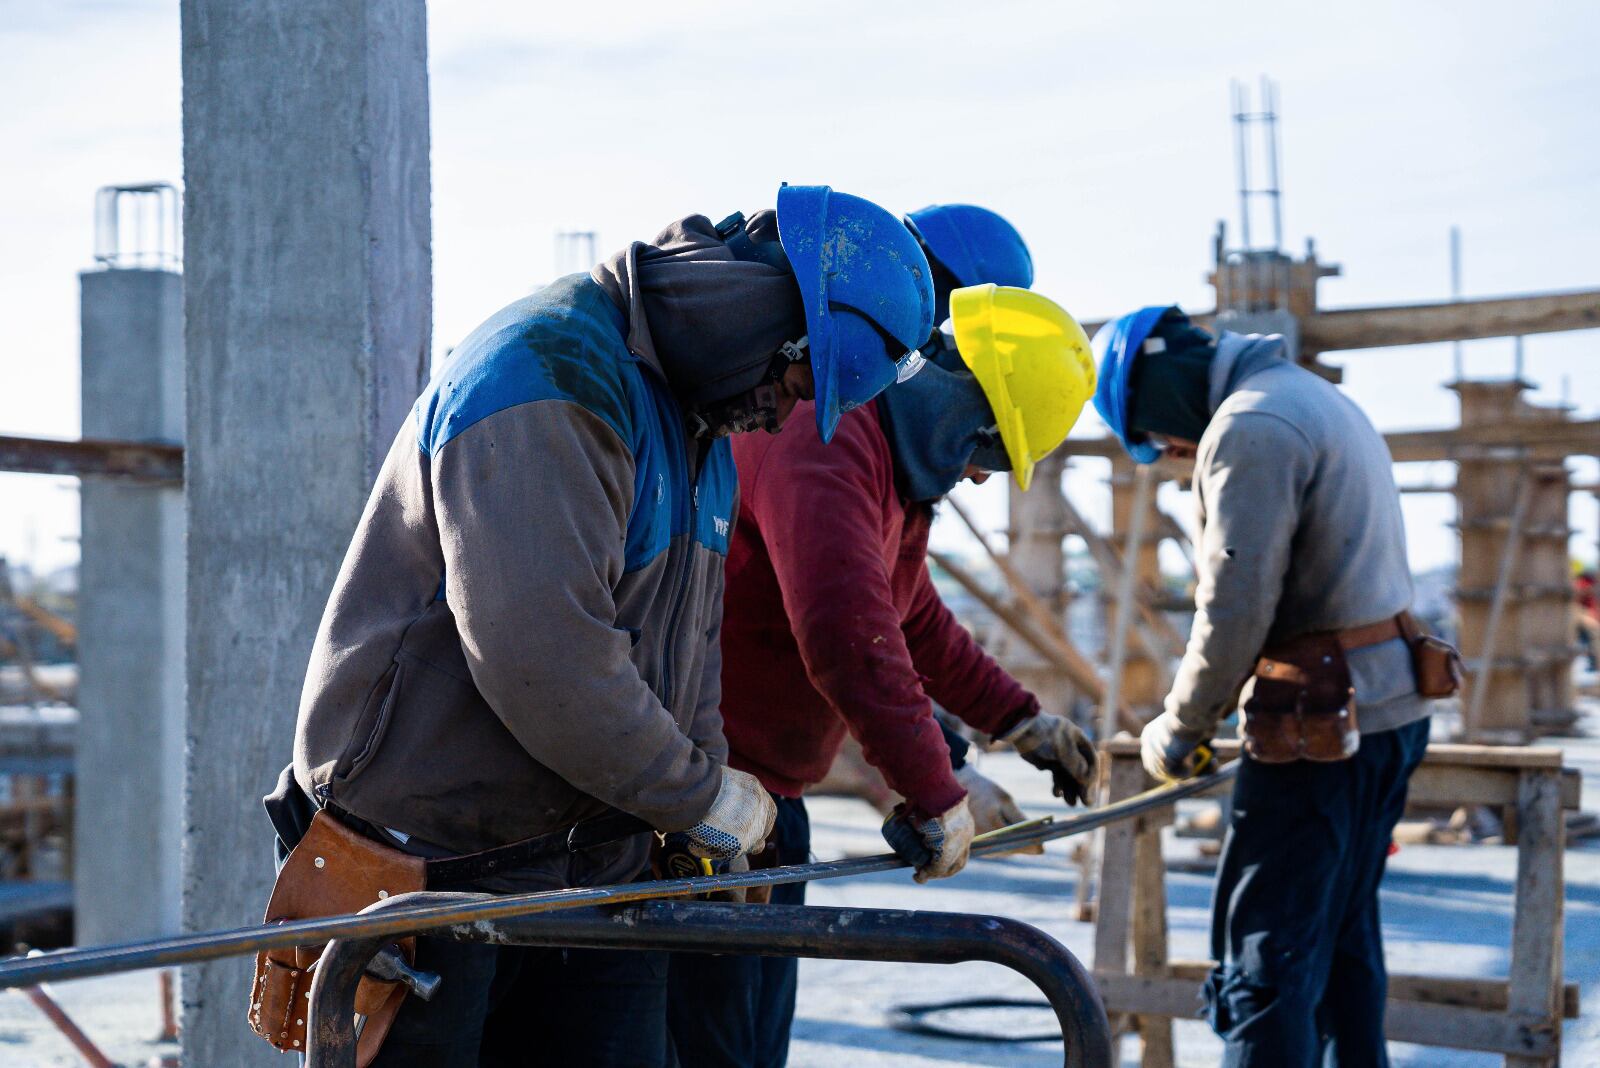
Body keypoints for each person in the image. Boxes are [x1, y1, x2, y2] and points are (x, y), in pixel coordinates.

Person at [276, 184, 935, 1067]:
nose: (786, 416)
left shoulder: (700, 432)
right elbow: (545, 663)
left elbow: (694, 655)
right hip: (432, 861)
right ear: (767, 326)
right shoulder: (549, 376)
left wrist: (705, 804)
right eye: (792, 384)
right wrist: (697, 795)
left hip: (590, 862)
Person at [666, 204, 1100, 1068]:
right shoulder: (827, 437)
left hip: (765, 805)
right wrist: (935, 790)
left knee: (751, 1048)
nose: (979, 472)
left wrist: (1016, 720)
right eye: (985, 446)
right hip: (702, 808)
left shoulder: (893, 471)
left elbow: (911, 613)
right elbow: (843, 628)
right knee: (709, 1051)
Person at [1097, 306, 1440, 1067]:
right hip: (1385, 714)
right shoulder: (1317, 398)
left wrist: (1180, 728)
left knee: (1267, 959)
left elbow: (1235, 607)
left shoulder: (1251, 426)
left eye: (1158, 437)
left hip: (1321, 734)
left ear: (1156, 392)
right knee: (1345, 938)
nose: (1172, 452)